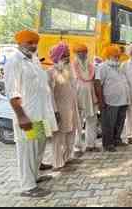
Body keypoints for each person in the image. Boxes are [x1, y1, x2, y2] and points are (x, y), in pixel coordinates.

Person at [4, 29, 58, 197]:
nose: (34, 46)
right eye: (30, 43)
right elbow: (12, 92)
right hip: (27, 115)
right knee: (27, 150)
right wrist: (21, 115)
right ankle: (27, 187)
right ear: (19, 43)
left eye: (36, 43)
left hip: (41, 113)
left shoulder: (34, 60)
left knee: (39, 147)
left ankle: (35, 177)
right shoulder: (14, 62)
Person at [48, 42, 82, 172]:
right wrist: (55, 111)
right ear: (58, 56)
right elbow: (50, 95)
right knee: (59, 137)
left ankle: (67, 158)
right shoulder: (50, 72)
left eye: (68, 55)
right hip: (60, 109)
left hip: (72, 107)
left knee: (71, 133)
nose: (68, 58)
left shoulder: (69, 70)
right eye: (65, 55)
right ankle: (57, 163)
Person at [95, 46, 131, 152]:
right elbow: (98, 84)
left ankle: (117, 140)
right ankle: (108, 144)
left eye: (119, 56)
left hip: (123, 100)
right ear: (109, 56)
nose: (118, 58)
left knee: (120, 122)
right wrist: (101, 101)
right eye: (116, 56)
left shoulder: (119, 67)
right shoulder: (102, 67)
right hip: (109, 102)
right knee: (108, 123)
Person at [71, 43, 100, 152]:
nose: (82, 54)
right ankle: (77, 146)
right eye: (79, 52)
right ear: (76, 53)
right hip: (78, 97)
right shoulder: (71, 66)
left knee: (92, 120)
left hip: (90, 96)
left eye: (84, 52)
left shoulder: (91, 65)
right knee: (78, 122)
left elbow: (94, 81)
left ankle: (90, 144)